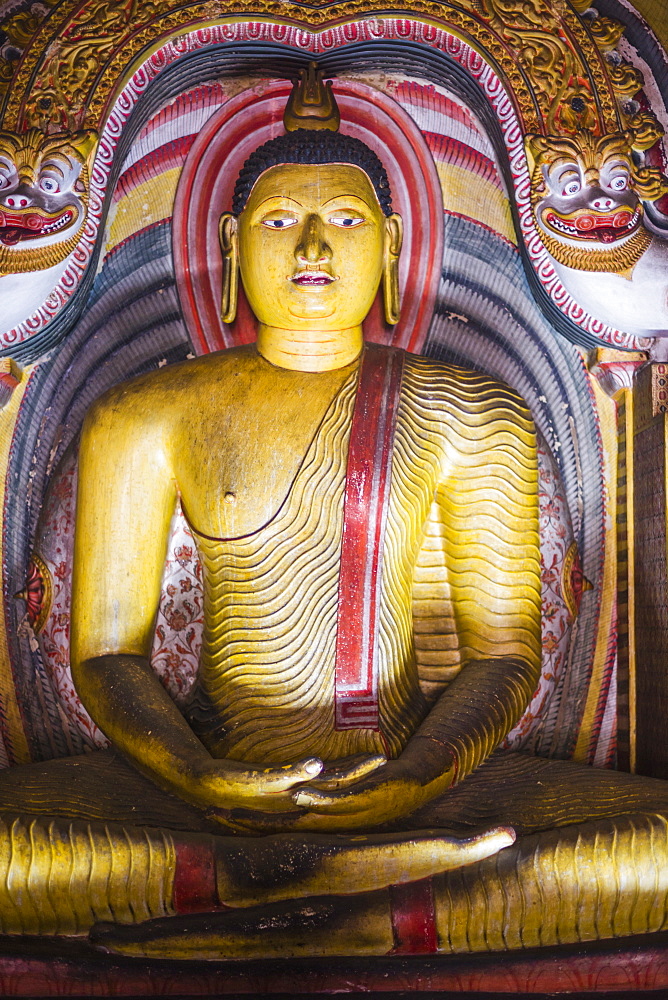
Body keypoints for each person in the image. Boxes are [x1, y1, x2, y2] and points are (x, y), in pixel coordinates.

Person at [0, 66, 667, 958]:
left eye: (345, 220)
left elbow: (506, 656)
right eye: (281, 221)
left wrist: (418, 777)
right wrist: (200, 775)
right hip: (203, 790)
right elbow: (107, 657)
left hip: (415, 782)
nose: (313, 245)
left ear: (392, 244)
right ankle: (349, 903)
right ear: (231, 242)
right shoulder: (142, 416)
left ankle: (255, 906)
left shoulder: (472, 413)